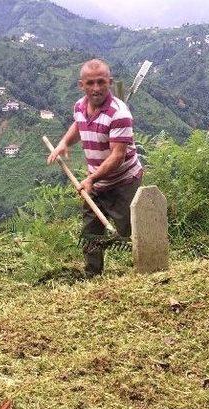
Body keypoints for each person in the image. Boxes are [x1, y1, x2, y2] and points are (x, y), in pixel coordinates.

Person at [47, 59, 143, 276]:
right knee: (90, 231)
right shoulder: (79, 107)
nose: (96, 88)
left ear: (109, 82)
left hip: (123, 182)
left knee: (131, 230)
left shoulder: (119, 114)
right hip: (96, 181)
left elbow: (118, 156)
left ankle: (145, 270)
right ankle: (92, 275)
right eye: (90, 83)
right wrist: (64, 143)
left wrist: (91, 179)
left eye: (101, 82)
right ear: (82, 85)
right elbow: (79, 125)